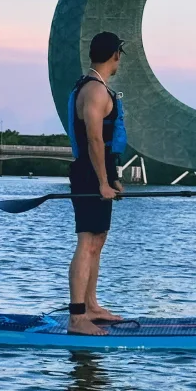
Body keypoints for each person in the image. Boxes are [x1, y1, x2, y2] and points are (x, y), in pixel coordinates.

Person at [66, 31, 127, 335]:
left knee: (98, 241)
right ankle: (77, 317)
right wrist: (102, 182)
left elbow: (105, 139)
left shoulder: (100, 88)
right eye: (120, 54)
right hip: (88, 175)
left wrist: (113, 179)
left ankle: (91, 306)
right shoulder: (94, 91)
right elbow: (92, 139)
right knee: (87, 242)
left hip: (100, 174)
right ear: (115, 54)